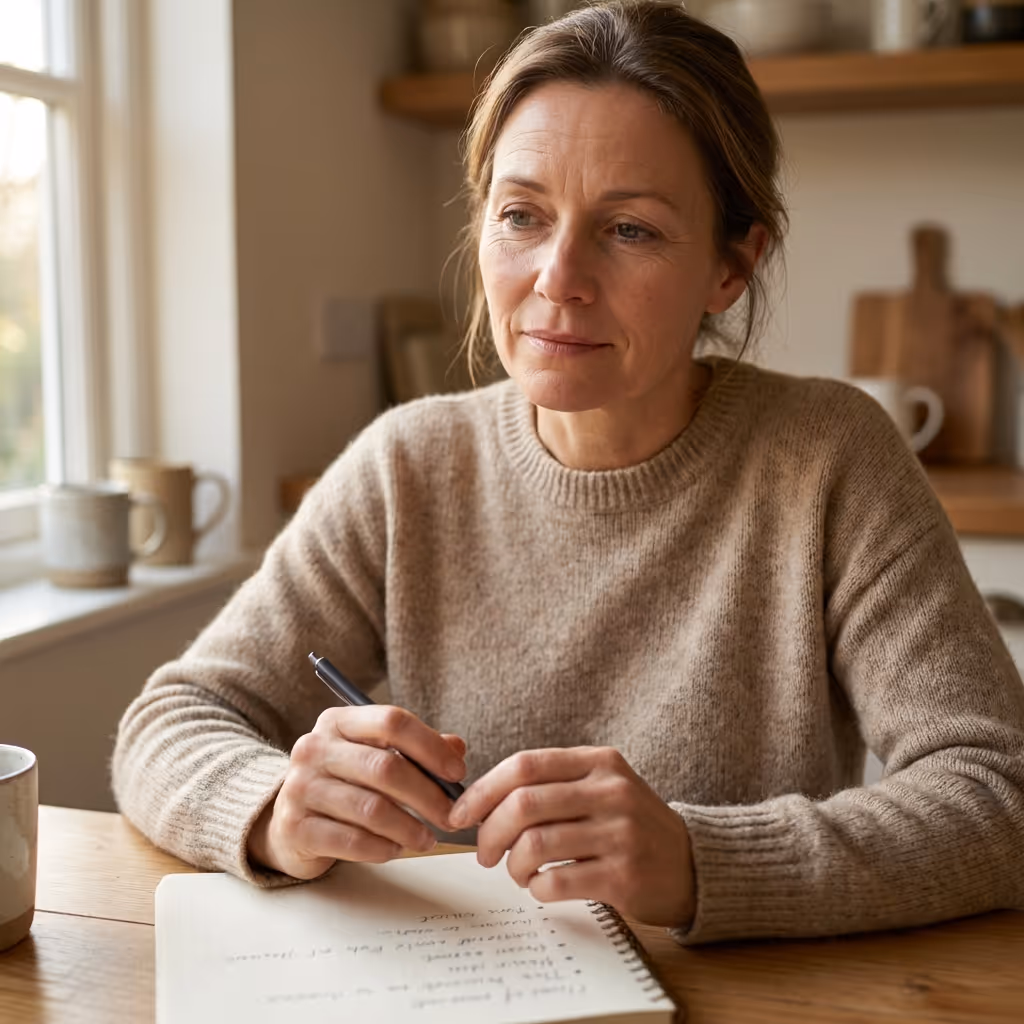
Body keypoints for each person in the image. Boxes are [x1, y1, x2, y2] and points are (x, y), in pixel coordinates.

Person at [111, 0, 1024, 946]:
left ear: (731, 267)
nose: (557, 277)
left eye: (628, 229)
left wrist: (701, 859)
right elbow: (171, 720)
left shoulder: (830, 459)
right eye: (522, 216)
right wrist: (271, 804)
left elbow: (1001, 793)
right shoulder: (406, 467)